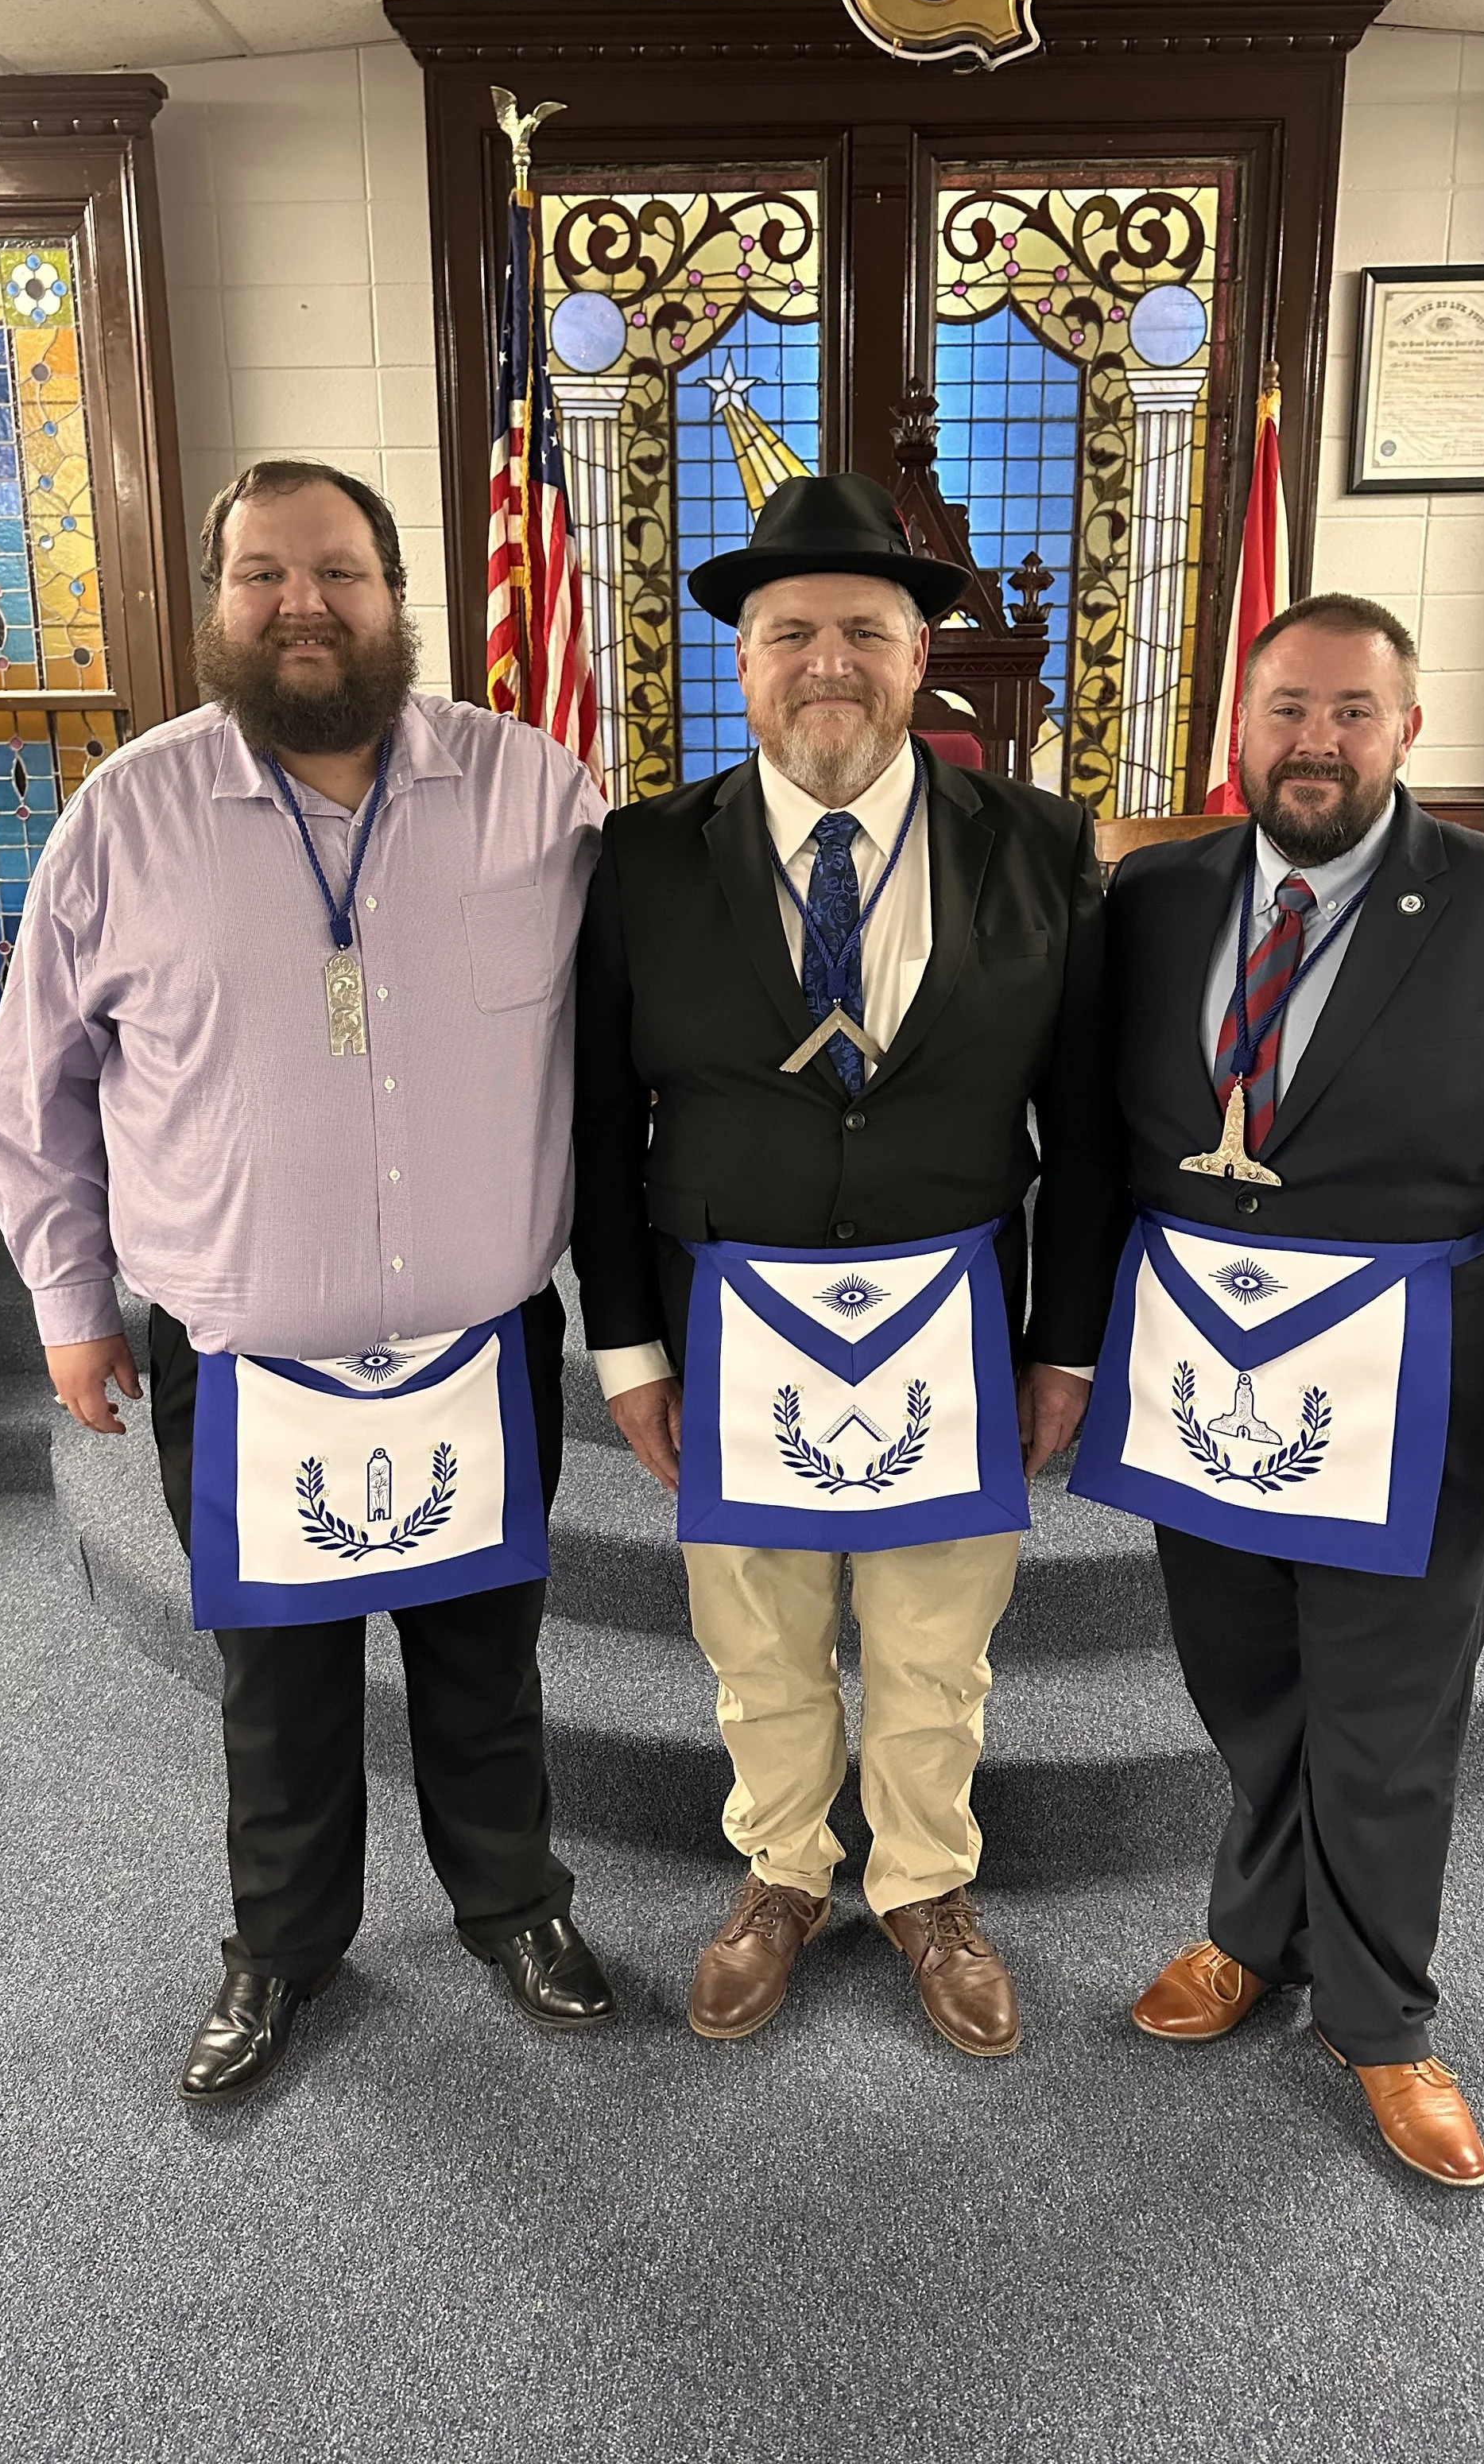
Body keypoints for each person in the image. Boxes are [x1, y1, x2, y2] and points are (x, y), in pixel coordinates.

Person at [0, 458, 617, 2105]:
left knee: (486, 1663)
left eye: (338, 571)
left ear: (397, 597)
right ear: (217, 605)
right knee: (278, 1686)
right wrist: (68, 1301)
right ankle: (282, 1944)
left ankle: (513, 1907)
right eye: (261, 574)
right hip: (245, 1359)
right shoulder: (123, 814)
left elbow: (629, 1051)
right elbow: (29, 1088)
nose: (302, 603)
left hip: (475, 1345)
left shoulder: (535, 793)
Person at [1071, 590, 1484, 2187]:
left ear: (1405, 729)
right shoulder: (1151, 894)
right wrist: (1065, 1347)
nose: (1313, 740)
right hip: (1203, 1368)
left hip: (1408, 1382)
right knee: (1243, 1680)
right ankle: (1251, 1932)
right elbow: (1090, 1152)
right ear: (1236, 726)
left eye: (1350, 710)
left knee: (1386, 1716)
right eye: (1283, 707)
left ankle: (1383, 2015)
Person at [572, 472, 1127, 2056]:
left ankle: (925, 1885)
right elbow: (595, 1123)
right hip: (726, 1316)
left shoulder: (1037, 846)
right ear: (739, 663)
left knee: (931, 1639)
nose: (828, 659)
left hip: (950, 1322)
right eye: (790, 630)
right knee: (754, 1633)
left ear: (917, 655)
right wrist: (623, 1347)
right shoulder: (640, 861)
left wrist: (1066, 1340)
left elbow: (1082, 1129)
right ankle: (779, 1874)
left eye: (864, 630)